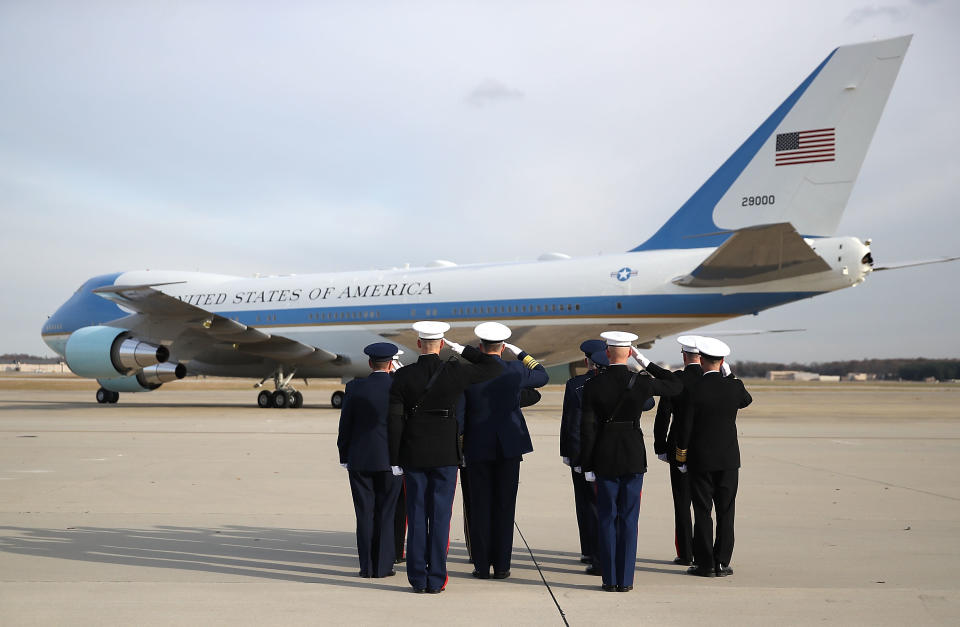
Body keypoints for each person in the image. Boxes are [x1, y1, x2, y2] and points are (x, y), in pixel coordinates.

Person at [388, 321, 503, 594]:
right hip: (445, 454)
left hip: (413, 453)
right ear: (441, 344)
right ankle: (437, 577)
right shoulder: (454, 371)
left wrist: (394, 458)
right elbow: (494, 366)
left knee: (416, 517)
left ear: (418, 344)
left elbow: (393, 422)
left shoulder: (403, 376)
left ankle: (417, 578)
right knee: (440, 517)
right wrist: (465, 350)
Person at [580, 331, 682, 592]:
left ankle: (609, 579)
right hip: (633, 455)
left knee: (606, 518)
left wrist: (588, 464)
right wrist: (644, 361)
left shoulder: (593, 385)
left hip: (603, 456)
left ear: (606, 352)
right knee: (628, 519)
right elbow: (675, 384)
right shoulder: (641, 382)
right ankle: (625, 580)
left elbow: (587, 429)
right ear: (628, 352)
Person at [462, 322, 549, 580]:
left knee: (479, 507)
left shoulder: (469, 372)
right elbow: (542, 376)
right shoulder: (514, 369)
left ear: (480, 346)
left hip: (477, 446)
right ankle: (502, 566)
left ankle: (481, 566)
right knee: (504, 507)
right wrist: (521, 354)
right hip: (509, 446)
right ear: (502, 347)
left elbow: (462, 414)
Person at [675, 336, 752, 578]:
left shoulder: (695, 389)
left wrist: (681, 458)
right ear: (722, 361)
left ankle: (705, 564)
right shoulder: (734, 387)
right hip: (729, 461)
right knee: (726, 512)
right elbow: (746, 400)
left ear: (701, 359)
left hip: (701, 460)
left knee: (702, 511)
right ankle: (722, 562)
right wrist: (730, 376)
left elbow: (684, 428)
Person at [337, 342, 403, 578]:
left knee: (364, 513)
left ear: (369, 363)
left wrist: (344, 455)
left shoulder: (355, 387)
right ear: (391, 363)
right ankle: (384, 566)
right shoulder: (398, 386)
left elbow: (345, 426)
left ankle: (367, 566)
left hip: (360, 458)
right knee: (386, 513)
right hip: (391, 460)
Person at [652, 335, 704, 566]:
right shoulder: (711, 380)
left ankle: (685, 553)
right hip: (705, 448)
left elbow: (663, 415)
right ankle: (704, 552)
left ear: (684, 356)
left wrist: (660, 446)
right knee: (704, 503)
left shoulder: (676, 380)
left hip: (677, 448)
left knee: (682, 502)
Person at [559, 339, 608, 573]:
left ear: (587, 359)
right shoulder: (620, 383)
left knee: (586, 503)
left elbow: (570, 423)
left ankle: (589, 550)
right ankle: (602, 550)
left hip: (582, 453)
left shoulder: (576, 385)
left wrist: (569, 453)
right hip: (610, 453)